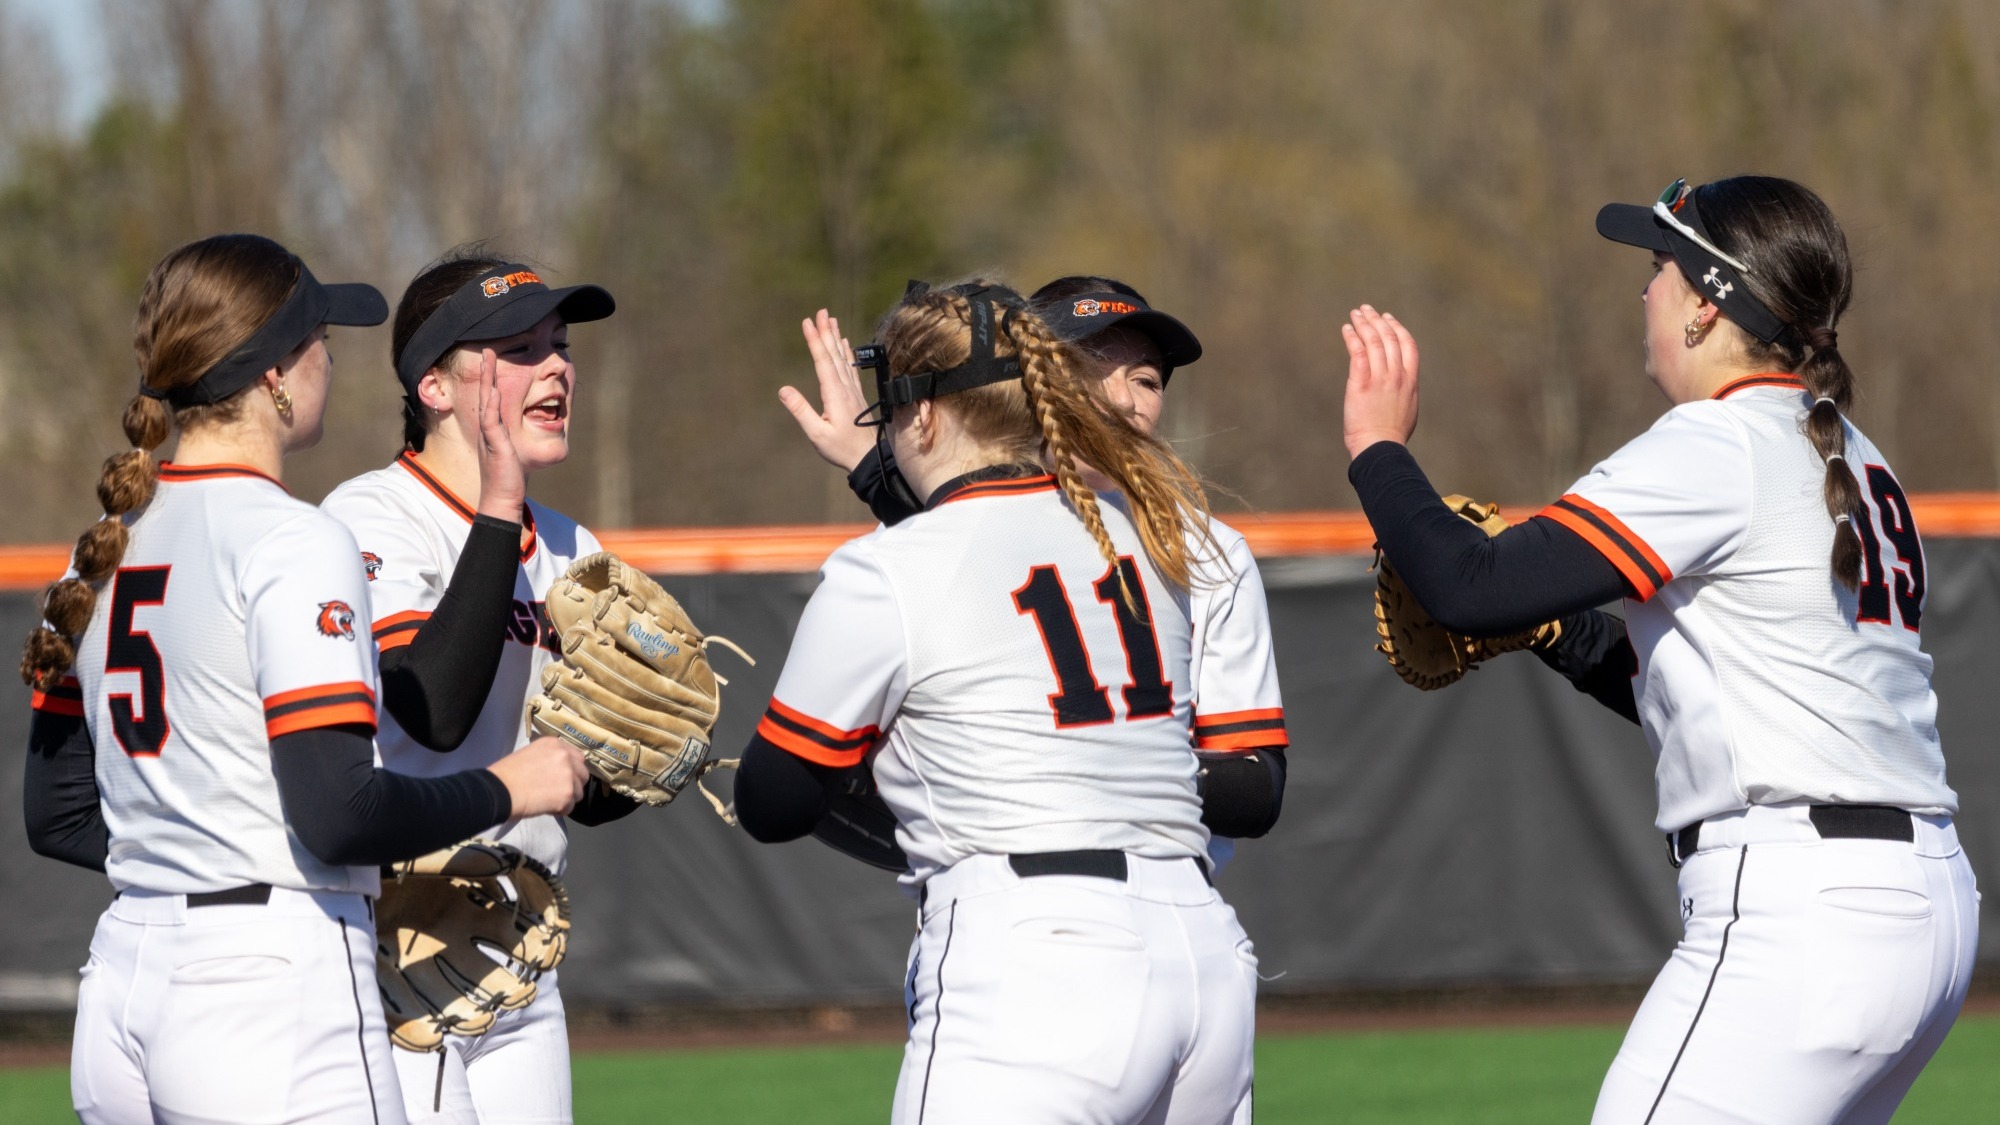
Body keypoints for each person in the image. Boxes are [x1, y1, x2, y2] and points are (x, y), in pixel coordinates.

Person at [1339, 176, 1977, 1124]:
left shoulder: (1715, 443)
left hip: (1798, 908)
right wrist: (1557, 630)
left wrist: (1376, 448)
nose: (1645, 290)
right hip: (1925, 907)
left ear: (1707, 304)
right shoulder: (1855, 458)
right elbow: (1692, 685)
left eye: (1658, 266)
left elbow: (1468, 588)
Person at [19, 233, 587, 1125]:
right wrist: (506, 786)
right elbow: (338, 813)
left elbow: (54, 814)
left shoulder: (102, 544)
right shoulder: (294, 538)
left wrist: (199, 854)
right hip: (266, 992)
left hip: (125, 978)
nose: (330, 355)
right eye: (319, 335)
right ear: (278, 371)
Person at [736, 280, 1263, 1124]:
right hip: (1201, 955)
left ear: (923, 416)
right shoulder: (1157, 538)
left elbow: (774, 798)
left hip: (1037, 960)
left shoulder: (887, 569)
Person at [782, 277, 1288, 868]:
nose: (1126, 400)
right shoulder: (916, 547)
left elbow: (1255, 789)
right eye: (1089, 365)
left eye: (1146, 378)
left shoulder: (1207, 552)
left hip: (1172, 910)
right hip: (994, 916)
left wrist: (1069, 759)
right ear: (1024, 385)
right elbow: (814, 789)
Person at [321, 246, 635, 1125]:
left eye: (561, 344)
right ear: (435, 385)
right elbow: (435, 706)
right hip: (399, 940)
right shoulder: (369, 515)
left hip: (525, 949)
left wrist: (649, 751)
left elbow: (595, 793)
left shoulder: (573, 545)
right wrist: (498, 507)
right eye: (520, 349)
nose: (558, 367)